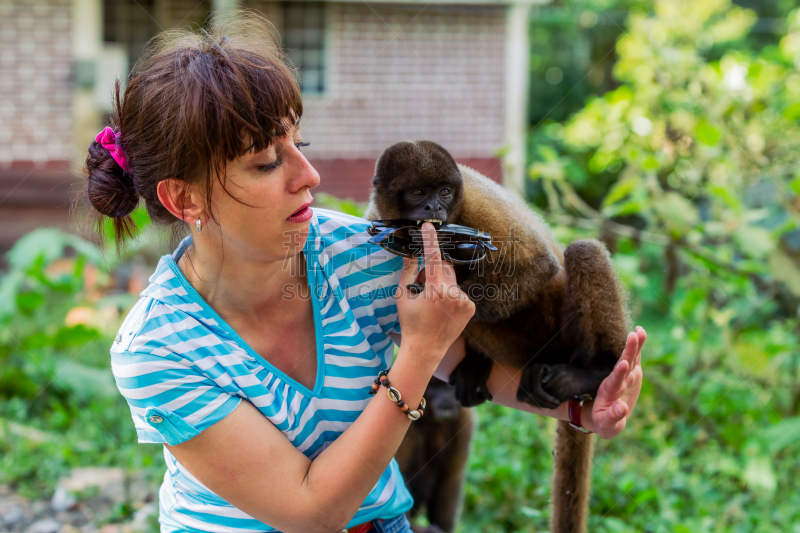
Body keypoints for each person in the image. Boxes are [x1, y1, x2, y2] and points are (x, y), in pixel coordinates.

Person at [85, 12, 647, 533]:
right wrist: (418, 353)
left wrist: (583, 408)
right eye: (266, 162)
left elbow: (472, 366)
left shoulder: (359, 252)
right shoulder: (159, 346)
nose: (308, 174)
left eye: (298, 144)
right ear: (183, 199)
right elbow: (310, 510)